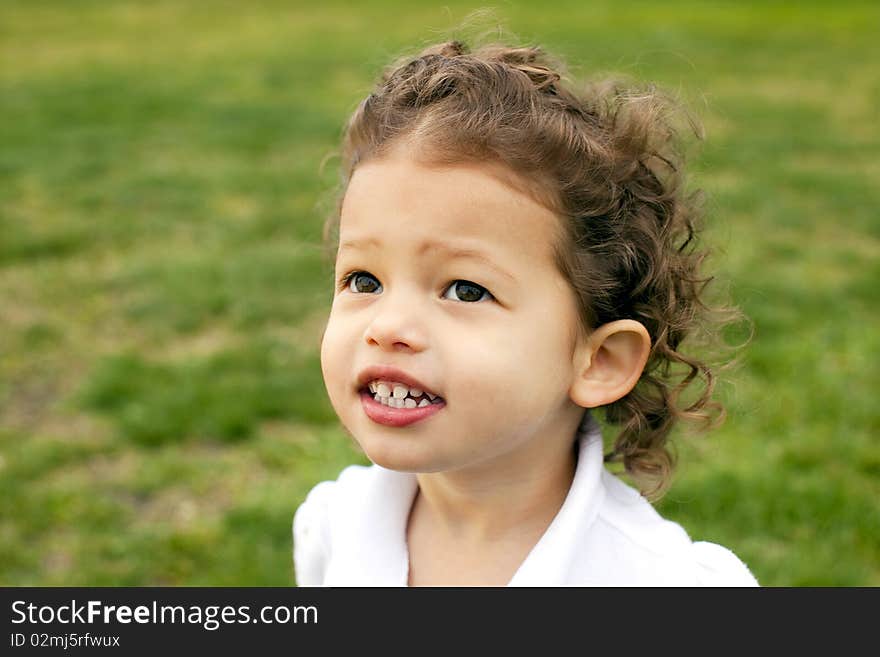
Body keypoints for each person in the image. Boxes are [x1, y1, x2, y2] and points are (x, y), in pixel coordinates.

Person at [293, 36, 758, 586]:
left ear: (599, 361)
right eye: (364, 280)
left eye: (465, 290)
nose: (387, 326)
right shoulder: (335, 524)